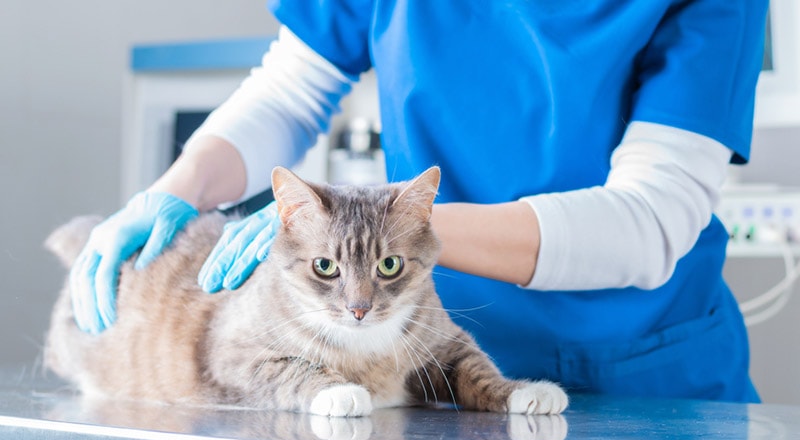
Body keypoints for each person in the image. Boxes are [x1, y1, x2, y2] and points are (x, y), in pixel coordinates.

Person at [71, 0, 768, 403]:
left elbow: (649, 219)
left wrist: (399, 237)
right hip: (419, 368)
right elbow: (293, 87)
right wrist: (175, 189)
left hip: (643, 375)